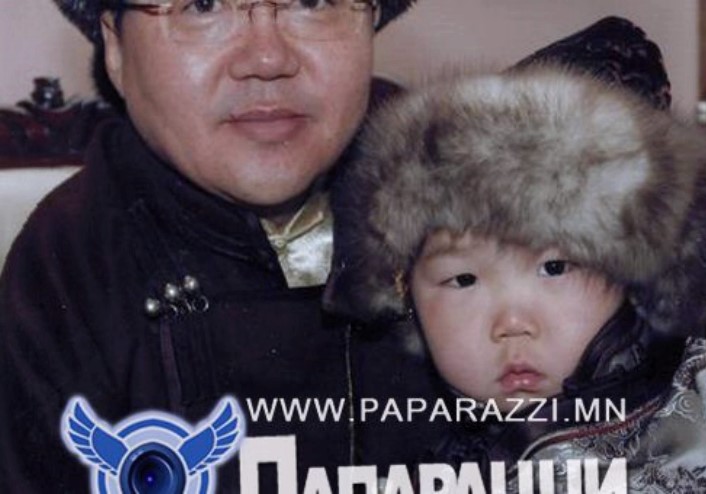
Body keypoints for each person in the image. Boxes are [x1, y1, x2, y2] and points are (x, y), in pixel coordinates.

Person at [0, 0, 450, 492]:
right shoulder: (66, 266)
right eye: (203, 6)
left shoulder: (472, 199)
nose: (267, 59)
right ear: (116, 49)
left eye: (311, 2)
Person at [328, 63, 706, 491]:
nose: (512, 323)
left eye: (554, 268)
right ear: (406, 295)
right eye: (464, 280)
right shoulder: (408, 454)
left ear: (632, 268)